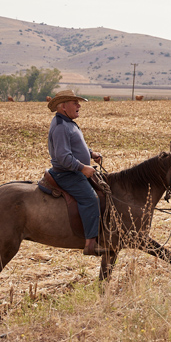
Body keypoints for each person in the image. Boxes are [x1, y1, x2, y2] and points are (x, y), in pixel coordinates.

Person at [47, 89, 107, 255]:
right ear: (64, 107)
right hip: (67, 174)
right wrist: (82, 167)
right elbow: (63, 157)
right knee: (91, 199)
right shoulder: (60, 127)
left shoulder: (68, 123)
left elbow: (75, 147)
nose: (79, 105)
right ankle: (90, 244)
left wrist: (91, 154)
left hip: (74, 171)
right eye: (75, 103)